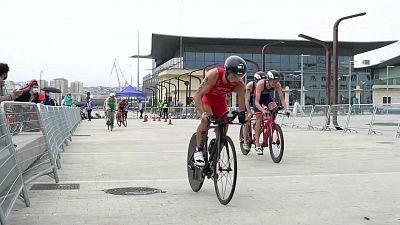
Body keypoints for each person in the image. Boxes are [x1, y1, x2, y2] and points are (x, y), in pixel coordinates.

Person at [192, 55, 247, 166]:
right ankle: (198, 150)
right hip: (206, 98)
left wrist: (242, 115)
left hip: (220, 101)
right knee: (207, 120)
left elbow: (242, 104)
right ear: (227, 72)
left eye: (240, 76)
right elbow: (197, 95)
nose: (237, 79)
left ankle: (215, 152)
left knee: (224, 126)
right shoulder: (214, 74)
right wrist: (202, 113)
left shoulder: (240, 85)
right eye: (234, 76)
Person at [253, 70, 288, 155]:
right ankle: (257, 144)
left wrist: (286, 109)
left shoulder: (277, 85)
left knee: (274, 109)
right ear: (268, 79)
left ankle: (270, 126)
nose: (275, 83)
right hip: (258, 99)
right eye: (273, 81)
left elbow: (282, 99)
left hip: (267, 98)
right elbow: (257, 102)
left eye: (277, 81)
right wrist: (262, 110)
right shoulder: (261, 84)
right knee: (259, 118)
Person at [242, 71, 268, 152]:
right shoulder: (250, 86)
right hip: (248, 101)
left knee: (262, 117)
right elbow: (246, 100)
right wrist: (249, 112)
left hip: (257, 101)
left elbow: (262, 100)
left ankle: (256, 129)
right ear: (255, 81)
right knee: (247, 120)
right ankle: (245, 141)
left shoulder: (263, 86)